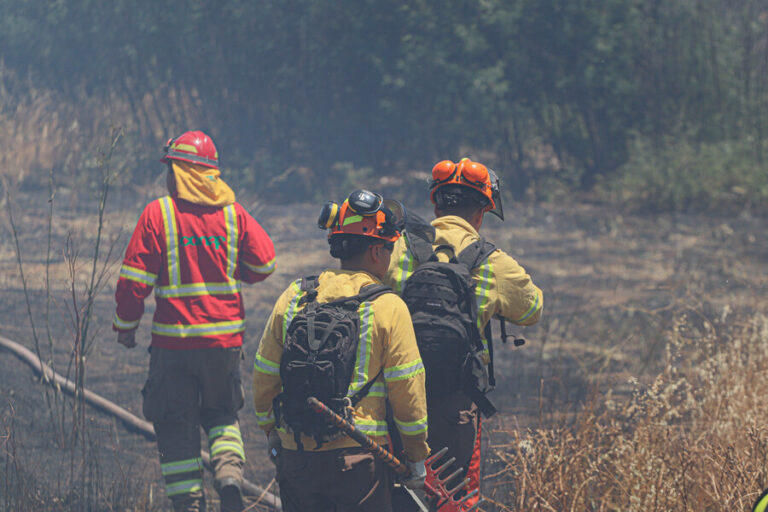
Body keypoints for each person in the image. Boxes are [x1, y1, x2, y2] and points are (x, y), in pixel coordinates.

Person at [112, 130, 277, 512]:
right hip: (223, 345)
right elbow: (264, 263)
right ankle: (230, 476)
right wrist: (227, 262)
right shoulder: (233, 215)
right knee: (222, 414)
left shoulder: (160, 213)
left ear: (180, 172)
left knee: (173, 422)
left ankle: (189, 503)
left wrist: (126, 326)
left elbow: (133, 283)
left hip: (174, 345)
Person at [252, 189, 429, 512]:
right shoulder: (388, 306)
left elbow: (264, 373)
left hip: (297, 456)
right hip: (360, 462)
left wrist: (272, 434)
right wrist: (417, 456)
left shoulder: (295, 295)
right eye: (389, 249)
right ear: (377, 251)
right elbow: (408, 390)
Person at [384, 158, 543, 511]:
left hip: (396, 394)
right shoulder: (492, 261)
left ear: (436, 204)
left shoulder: (397, 248)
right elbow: (533, 310)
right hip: (457, 400)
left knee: (397, 492)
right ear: (482, 212)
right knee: (455, 497)